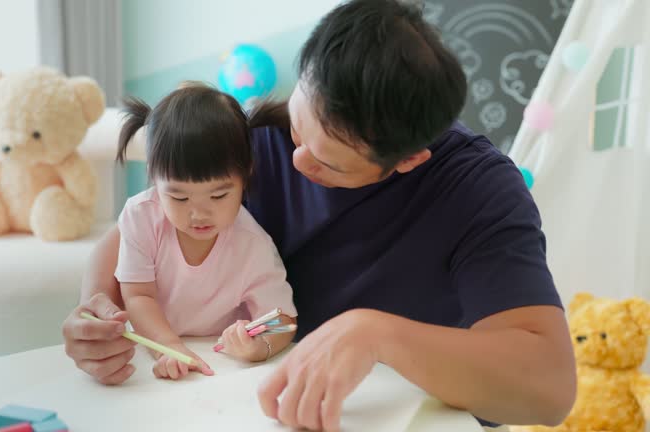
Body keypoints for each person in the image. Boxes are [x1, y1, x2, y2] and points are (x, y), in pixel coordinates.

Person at [62, 0, 576, 430]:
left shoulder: (479, 191)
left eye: (329, 162)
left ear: (409, 159)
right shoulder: (258, 134)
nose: (296, 161)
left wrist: (377, 335)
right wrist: (96, 309)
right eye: (300, 129)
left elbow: (549, 390)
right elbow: (144, 218)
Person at [112, 85, 298, 380]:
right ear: (153, 175)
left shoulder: (253, 244)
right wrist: (169, 347)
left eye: (219, 196)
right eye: (180, 198)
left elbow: (283, 321)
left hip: (221, 365)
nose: (199, 215)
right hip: (151, 351)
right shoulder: (140, 215)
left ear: (246, 175)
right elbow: (137, 296)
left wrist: (257, 348)